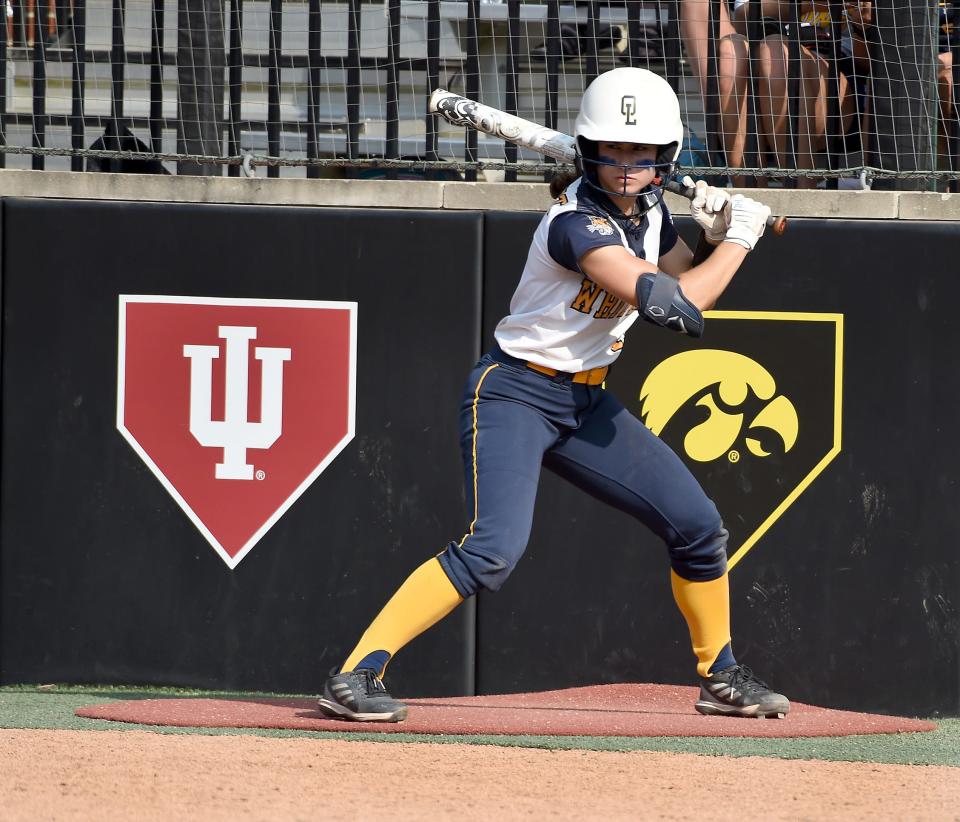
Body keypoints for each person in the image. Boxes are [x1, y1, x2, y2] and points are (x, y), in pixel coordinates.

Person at [317, 67, 789, 724]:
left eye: (640, 152)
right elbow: (676, 307)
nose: (626, 166)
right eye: (613, 150)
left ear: (666, 156)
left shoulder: (650, 214)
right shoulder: (574, 226)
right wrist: (742, 236)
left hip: (587, 404)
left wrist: (711, 233)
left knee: (699, 527)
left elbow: (679, 268)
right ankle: (357, 672)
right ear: (590, 150)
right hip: (514, 393)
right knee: (492, 550)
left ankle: (720, 675)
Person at [733, 1, 867, 188]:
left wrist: (862, 26)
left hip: (836, 73)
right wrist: (805, 4)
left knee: (776, 55)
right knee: (730, 51)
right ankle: (745, 201)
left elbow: (869, 63)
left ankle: (799, 199)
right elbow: (742, 16)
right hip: (760, 66)